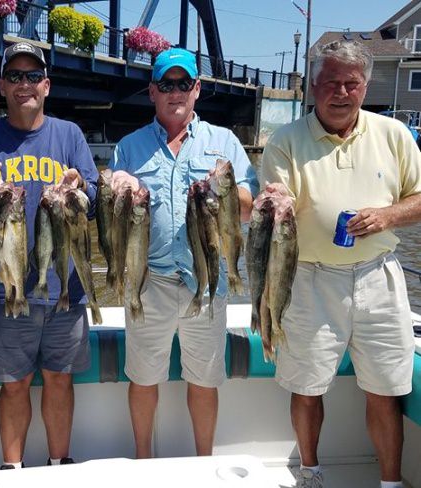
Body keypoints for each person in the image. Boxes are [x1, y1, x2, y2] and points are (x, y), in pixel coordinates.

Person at [261, 40, 421, 488]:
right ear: (314, 86)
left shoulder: (393, 135)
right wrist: (277, 205)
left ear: (365, 87)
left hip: (379, 277)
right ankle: (310, 474)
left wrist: (388, 215)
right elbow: (276, 201)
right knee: (307, 388)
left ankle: (390, 483)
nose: (341, 92)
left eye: (351, 83)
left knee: (386, 389)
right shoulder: (286, 140)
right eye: (331, 81)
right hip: (309, 279)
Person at [108, 48, 258, 458]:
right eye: (167, 84)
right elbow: (112, 212)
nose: (176, 92)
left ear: (198, 89)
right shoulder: (129, 147)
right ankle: (143, 459)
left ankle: (204, 462)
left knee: (205, 380)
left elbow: (248, 205)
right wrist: (115, 187)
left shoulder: (224, 142)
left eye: (184, 83)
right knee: (142, 377)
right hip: (147, 280)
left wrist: (224, 192)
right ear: (152, 92)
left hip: (207, 280)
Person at [0, 41, 99, 469]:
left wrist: (81, 188)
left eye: (33, 76)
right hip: (8, 287)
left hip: (65, 287)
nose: (25, 85)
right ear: (2, 85)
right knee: (15, 383)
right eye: (15, 76)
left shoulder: (70, 135)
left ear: (47, 85)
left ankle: (60, 464)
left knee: (59, 380)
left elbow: (92, 202)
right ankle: (12, 468)